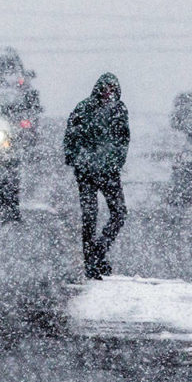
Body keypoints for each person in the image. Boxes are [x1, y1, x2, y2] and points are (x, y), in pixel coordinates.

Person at [63, 73, 130, 280]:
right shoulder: (84, 108)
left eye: (112, 88)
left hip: (108, 171)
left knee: (118, 214)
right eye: (106, 88)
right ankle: (91, 262)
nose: (109, 92)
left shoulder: (119, 109)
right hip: (87, 171)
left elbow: (123, 139)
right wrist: (76, 160)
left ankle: (97, 253)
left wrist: (115, 162)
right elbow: (71, 135)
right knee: (90, 216)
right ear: (98, 88)